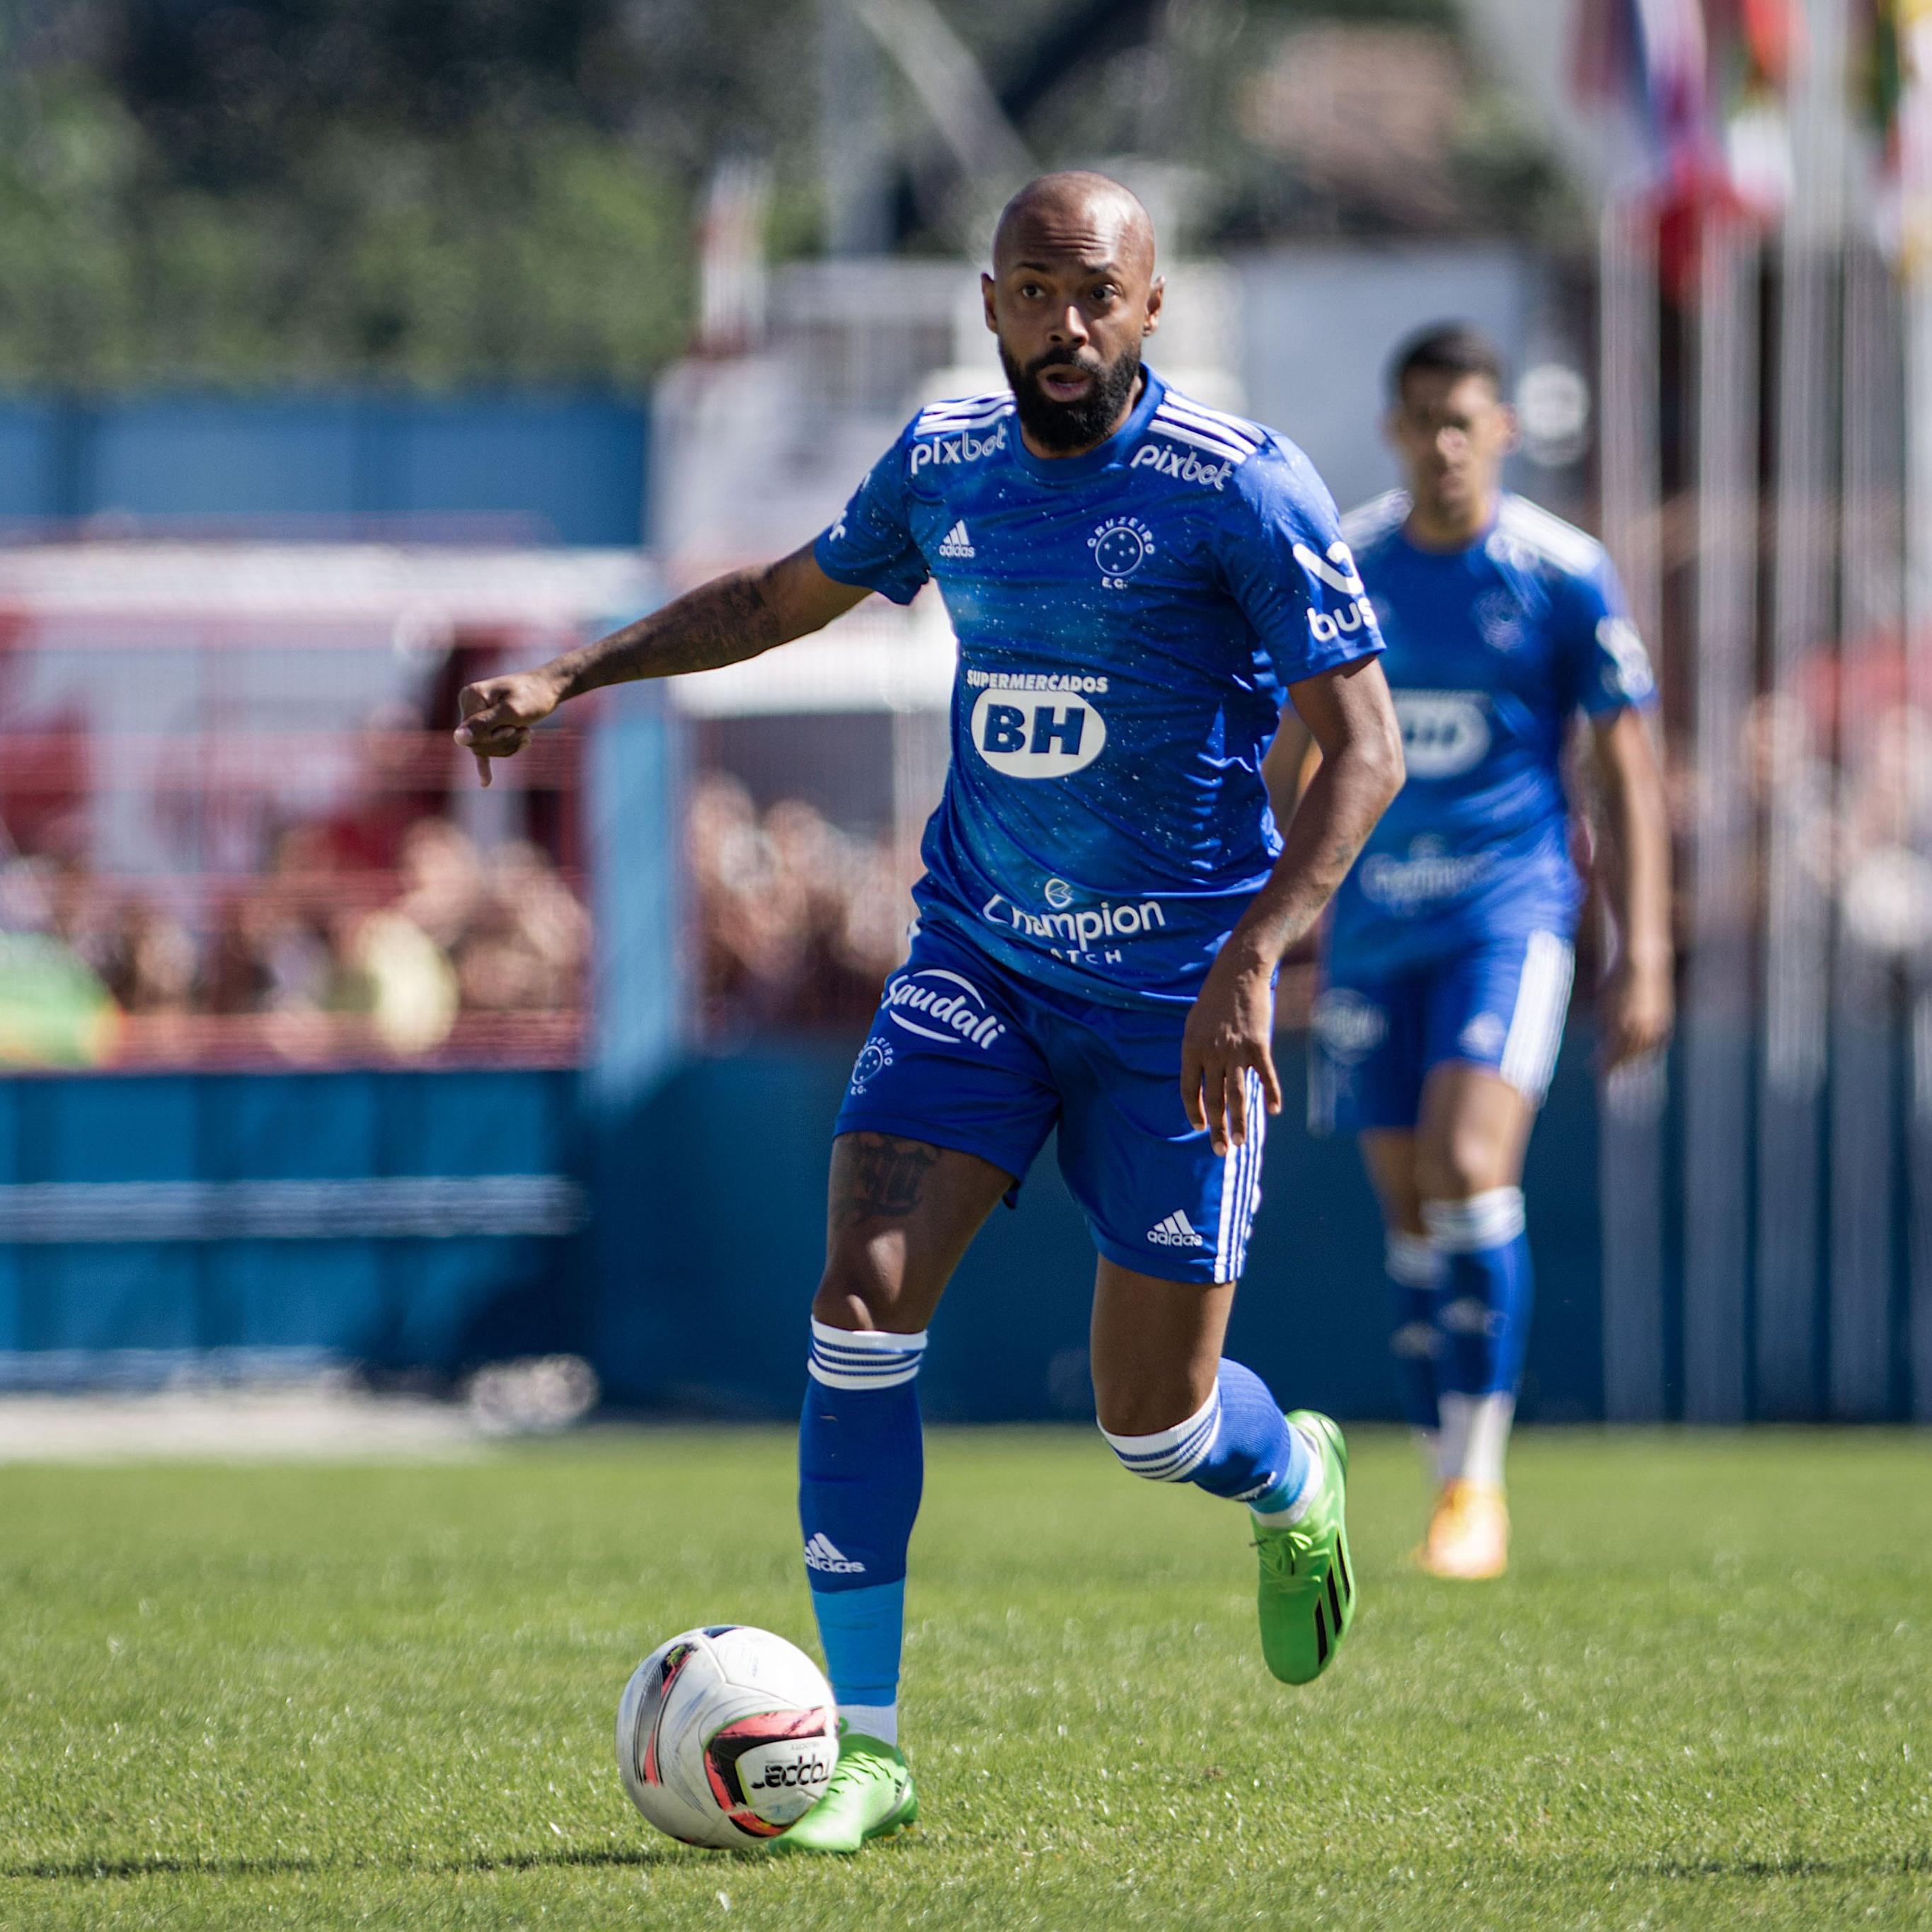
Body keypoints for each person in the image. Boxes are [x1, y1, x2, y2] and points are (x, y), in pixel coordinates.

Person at [456, 172, 1403, 1853]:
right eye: (1033, 290)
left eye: (1096, 291)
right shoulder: (947, 462)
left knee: (1155, 1422)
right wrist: (571, 677)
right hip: (978, 960)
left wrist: (1257, 955)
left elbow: (1367, 749)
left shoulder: (1240, 490)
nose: (1065, 323)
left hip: (1177, 1002)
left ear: (1152, 306)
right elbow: (776, 598)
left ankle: (1290, 1476)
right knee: (858, 1296)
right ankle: (872, 1750)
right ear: (989, 302)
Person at [1270, 323, 1673, 1582]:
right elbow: (1292, 754)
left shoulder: (1560, 573)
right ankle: (1445, 1470)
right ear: (1395, 428)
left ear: (1502, 429)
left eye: (1466, 420)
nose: (1444, 444)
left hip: (1509, 916)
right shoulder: (1352, 562)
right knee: (1407, 1206)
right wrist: (1274, 926)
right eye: (1423, 420)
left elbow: (1623, 769)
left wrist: (1645, 947)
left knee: (1464, 1159)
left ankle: (1479, 1484)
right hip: (1376, 930)